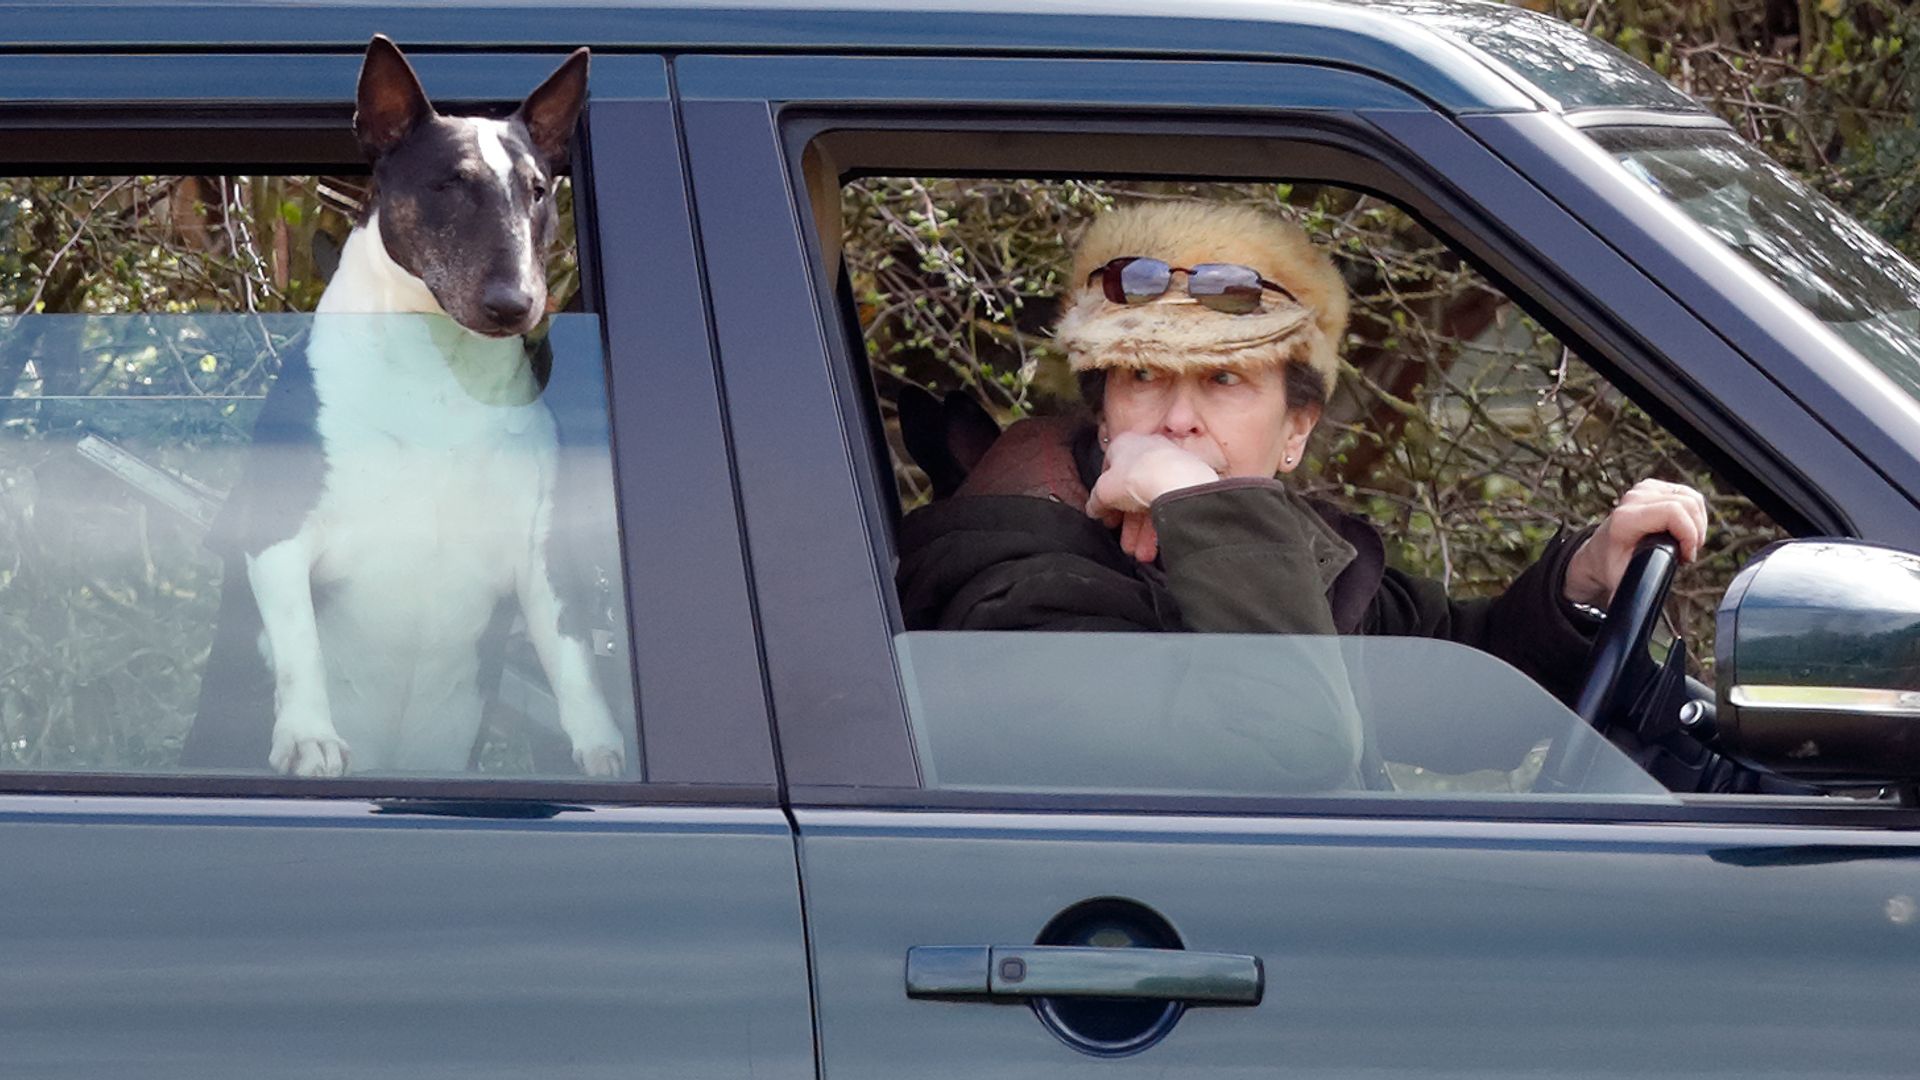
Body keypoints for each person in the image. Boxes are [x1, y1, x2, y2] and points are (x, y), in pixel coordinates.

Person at [895, 200, 1713, 776]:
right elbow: (1289, 748)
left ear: (1296, 432)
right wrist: (1204, 504)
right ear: (1104, 417)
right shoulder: (1016, 595)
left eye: (1222, 379)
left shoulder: (1287, 549)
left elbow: (1457, 693)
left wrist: (1580, 581)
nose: (1178, 420)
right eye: (1142, 375)